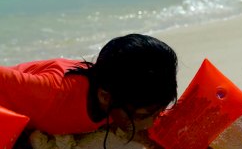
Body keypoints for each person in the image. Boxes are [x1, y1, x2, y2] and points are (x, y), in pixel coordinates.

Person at [0, 34, 178, 148]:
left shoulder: (125, 92)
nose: (152, 122)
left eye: (159, 111)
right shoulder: (52, 91)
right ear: (105, 97)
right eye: (144, 115)